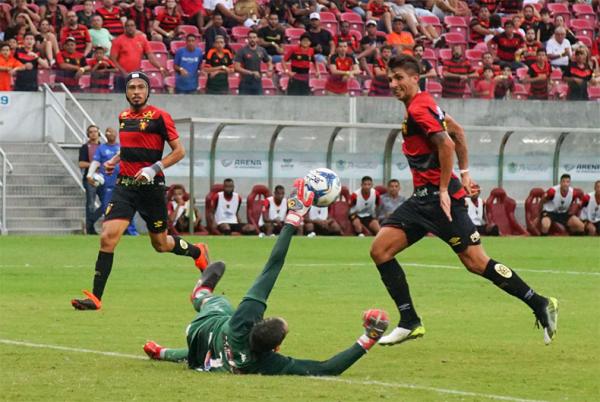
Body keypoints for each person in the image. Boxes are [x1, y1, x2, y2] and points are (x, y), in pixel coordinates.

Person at [370, 54, 558, 347]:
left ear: (414, 78)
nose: (393, 84)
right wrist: (466, 176)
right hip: (422, 201)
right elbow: (457, 132)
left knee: (476, 262)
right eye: (390, 79)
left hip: (439, 201)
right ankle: (409, 321)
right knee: (380, 250)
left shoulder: (420, 109)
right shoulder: (425, 104)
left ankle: (540, 302)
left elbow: (446, 142)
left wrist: (446, 188)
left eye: (399, 78)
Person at [142, 180, 390, 375]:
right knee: (212, 345)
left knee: (220, 304)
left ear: (258, 321)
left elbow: (273, 265)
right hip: (201, 353)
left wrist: (293, 218)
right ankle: (165, 349)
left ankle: (200, 294)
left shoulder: (242, 321)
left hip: (202, 328)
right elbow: (327, 368)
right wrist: (369, 338)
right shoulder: (264, 363)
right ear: (275, 349)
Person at [70, 71, 210, 311]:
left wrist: (153, 169)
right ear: (126, 92)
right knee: (107, 237)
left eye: (140, 87)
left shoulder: (160, 117)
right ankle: (95, 298)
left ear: (147, 91)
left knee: (160, 244)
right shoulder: (123, 116)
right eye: (132, 87)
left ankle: (198, 251)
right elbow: (129, 147)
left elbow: (179, 152)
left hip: (151, 188)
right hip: (125, 185)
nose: (136, 92)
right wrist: (115, 158)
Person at [86, 127, 138, 236]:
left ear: (116, 134)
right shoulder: (101, 148)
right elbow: (95, 162)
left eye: (112, 132)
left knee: (128, 205)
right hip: (108, 182)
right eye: (107, 132)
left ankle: (131, 231)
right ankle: (110, 231)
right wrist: (90, 174)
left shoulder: (121, 147)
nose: (110, 134)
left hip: (123, 181)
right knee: (107, 207)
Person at [110, 19, 167, 91]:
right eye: (127, 26)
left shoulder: (142, 39)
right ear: (124, 28)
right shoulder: (118, 40)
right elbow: (113, 59)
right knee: (120, 98)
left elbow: (150, 56)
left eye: (132, 25)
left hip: (135, 74)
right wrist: (123, 72)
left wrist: (160, 67)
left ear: (135, 27)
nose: (130, 28)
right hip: (121, 76)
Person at [234, 31, 272, 95]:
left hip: (257, 82)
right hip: (245, 82)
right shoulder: (242, 51)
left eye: (254, 37)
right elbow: (236, 67)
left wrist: (270, 70)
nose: (252, 39)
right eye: (250, 38)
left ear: (257, 39)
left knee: (259, 103)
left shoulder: (262, 50)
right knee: (242, 103)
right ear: (247, 39)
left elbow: (269, 63)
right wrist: (251, 73)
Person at [79, 125, 102, 235]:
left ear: (99, 133)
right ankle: (90, 229)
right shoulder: (85, 147)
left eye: (95, 131)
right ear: (88, 134)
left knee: (108, 203)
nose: (93, 134)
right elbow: (81, 163)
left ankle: (90, 221)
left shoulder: (103, 147)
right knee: (91, 204)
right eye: (91, 132)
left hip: (104, 179)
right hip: (90, 179)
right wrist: (94, 165)